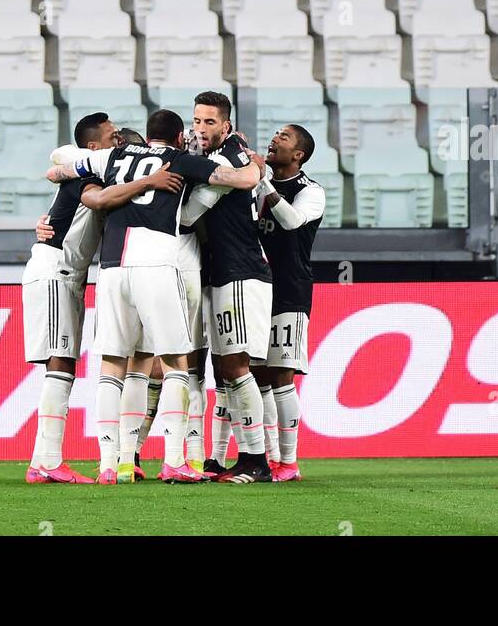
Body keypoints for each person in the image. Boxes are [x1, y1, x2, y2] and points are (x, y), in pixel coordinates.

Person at [47, 109, 261, 483]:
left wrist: (77, 173)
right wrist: (253, 162)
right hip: (157, 263)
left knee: (114, 365)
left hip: (112, 266)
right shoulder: (179, 160)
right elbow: (240, 179)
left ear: (147, 136)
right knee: (178, 362)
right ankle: (176, 458)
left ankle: (111, 464)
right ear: (180, 136)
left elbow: (57, 169)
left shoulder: (111, 156)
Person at [23, 114, 172, 483]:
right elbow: (95, 196)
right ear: (93, 147)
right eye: (112, 136)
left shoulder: (93, 168)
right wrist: (149, 180)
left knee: (63, 365)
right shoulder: (86, 173)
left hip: (66, 274)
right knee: (60, 366)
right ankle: (47, 462)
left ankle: (44, 461)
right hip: (56, 269)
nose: (118, 139)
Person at [186, 91, 274, 484]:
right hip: (222, 272)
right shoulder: (228, 154)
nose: (201, 129)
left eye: (209, 123)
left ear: (226, 125)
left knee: (238, 366)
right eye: (196, 121)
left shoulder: (228, 158)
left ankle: (257, 461)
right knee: (226, 370)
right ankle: (233, 459)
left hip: (239, 272)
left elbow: (189, 214)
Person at [251, 124, 324, 482]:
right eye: (275, 134)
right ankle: (270, 457)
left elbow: (292, 222)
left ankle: (290, 462)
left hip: (290, 289)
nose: (275, 139)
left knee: (282, 374)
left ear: (298, 155)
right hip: (254, 288)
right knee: (257, 375)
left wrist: (263, 183)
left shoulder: (311, 191)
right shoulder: (253, 182)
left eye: (284, 137)